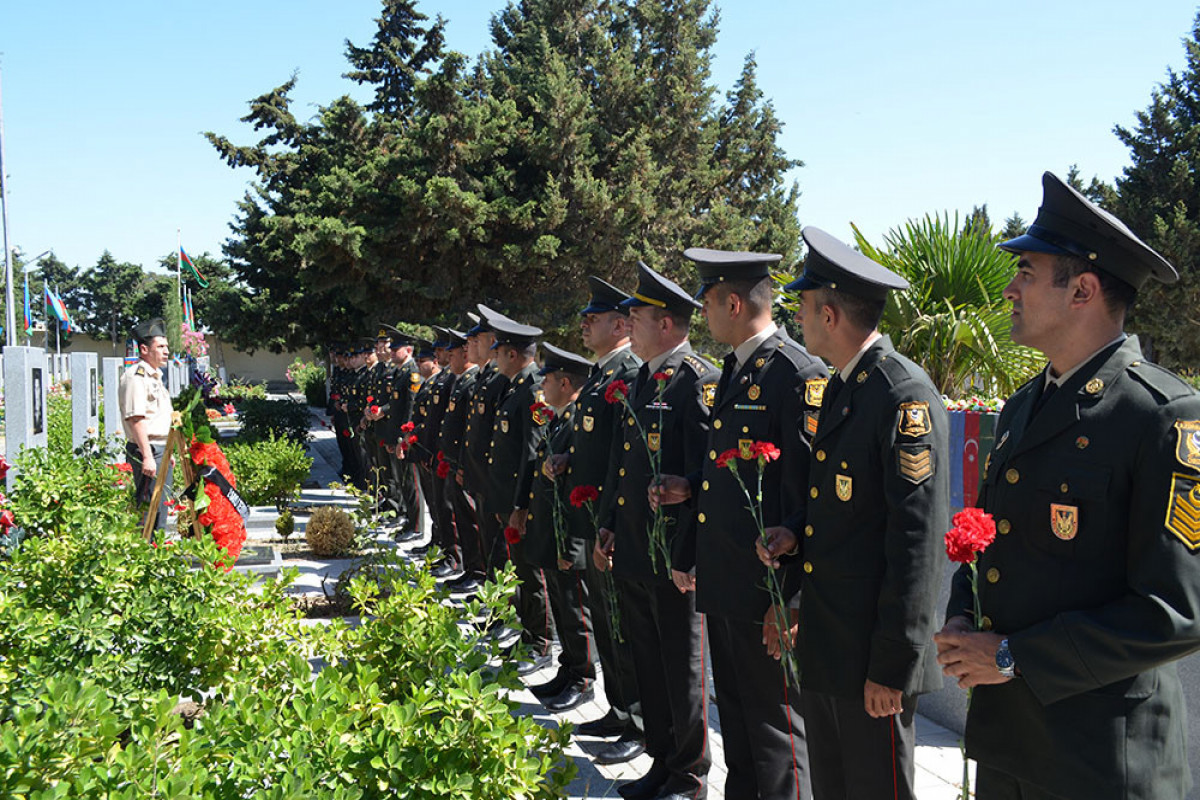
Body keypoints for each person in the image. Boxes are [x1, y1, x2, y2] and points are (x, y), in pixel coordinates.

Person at [933, 172, 1200, 800]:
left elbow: (1176, 614)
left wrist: (1009, 656)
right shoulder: (1028, 404)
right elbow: (988, 537)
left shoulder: (1163, 415)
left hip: (1099, 760)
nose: (1009, 288)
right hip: (1012, 743)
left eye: (1026, 271)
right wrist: (962, 620)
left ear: (1081, 289)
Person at [757, 227, 949, 800]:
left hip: (871, 656)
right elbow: (840, 517)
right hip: (830, 643)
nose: (800, 320)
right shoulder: (845, 387)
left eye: (805, 308)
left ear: (832, 313)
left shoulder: (900, 394)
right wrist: (793, 541)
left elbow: (916, 541)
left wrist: (894, 664)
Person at [656, 247, 827, 800]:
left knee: (776, 733)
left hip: (766, 590)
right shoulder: (736, 366)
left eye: (706, 301)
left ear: (733, 302)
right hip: (729, 579)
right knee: (738, 721)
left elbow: (804, 496)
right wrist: (689, 552)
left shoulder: (795, 373)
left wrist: (790, 598)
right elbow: (712, 483)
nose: (702, 312)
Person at [596, 262, 717, 800]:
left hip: (673, 557)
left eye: (636, 317)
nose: (629, 326)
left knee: (680, 667)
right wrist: (607, 524)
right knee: (648, 659)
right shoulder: (637, 380)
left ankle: (689, 772)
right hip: (634, 548)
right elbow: (621, 466)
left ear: (666, 323)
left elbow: (708, 474)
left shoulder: (697, 379)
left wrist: (688, 554)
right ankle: (662, 759)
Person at [546, 277, 646, 762]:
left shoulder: (627, 373)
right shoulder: (602, 377)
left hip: (611, 525)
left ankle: (641, 723)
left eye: (594, 319)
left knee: (621, 626)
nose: (584, 325)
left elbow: (623, 458)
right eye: (584, 318)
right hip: (590, 521)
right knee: (606, 622)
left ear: (622, 324)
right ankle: (621, 709)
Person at [522, 342, 598, 711]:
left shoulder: (580, 422)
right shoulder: (560, 418)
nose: (543, 386)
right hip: (553, 533)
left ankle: (583, 678)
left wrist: (570, 547)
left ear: (565, 383)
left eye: (548, 380)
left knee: (575, 607)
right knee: (563, 602)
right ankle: (569, 669)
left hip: (570, 536)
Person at [487, 314, 556, 675]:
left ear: (512, 354)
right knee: (519, 572)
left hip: (521, 503)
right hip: (506, 499)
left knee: (532, 573)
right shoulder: (515, 387)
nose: (494, 356)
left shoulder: (534, 390)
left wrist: (521, 505)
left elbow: (532, 451)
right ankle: (527, 632)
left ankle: (541, 641)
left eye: (498, 351)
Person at [119, 317, 174, 531]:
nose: (166, 351)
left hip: (159, 449)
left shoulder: (154, 377)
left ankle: (157, 551)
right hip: (147, 449)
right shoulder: (136, 377)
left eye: (166, 346)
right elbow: (137, 419)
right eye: (160, 347)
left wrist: (167, 451)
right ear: (144, 349)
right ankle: (148, 554)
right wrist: (148, 456)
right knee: (149, 507)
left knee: (161, 505)